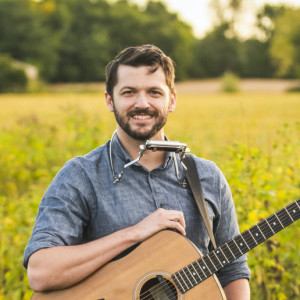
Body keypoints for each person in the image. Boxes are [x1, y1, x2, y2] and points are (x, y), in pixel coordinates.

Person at [24, 44, 251, 299]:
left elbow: (232, 270)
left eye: (154, 92)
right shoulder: (81, 176)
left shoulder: (207, 178)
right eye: (129, 92)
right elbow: (41, 272)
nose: (142, 104)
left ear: (172, 100)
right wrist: (134, 233)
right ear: (110, 100)